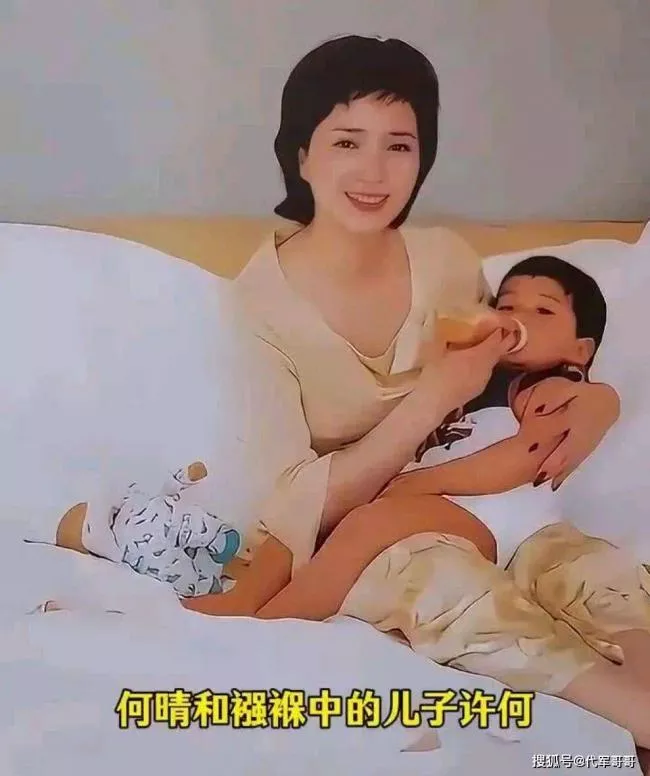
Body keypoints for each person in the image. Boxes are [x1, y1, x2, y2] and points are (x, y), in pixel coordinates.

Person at [51, 35, 650, 757]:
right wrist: (428, 402)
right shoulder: (258, 309)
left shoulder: (447, 262)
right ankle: (627, 710)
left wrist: (599, 398)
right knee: (450, 594)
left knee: (599, 578)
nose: (373, 171)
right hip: (369, 535)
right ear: (302, 154)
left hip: (495, 513)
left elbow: (515, 369)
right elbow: (292, 500)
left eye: (399, 145)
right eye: (346, 142)